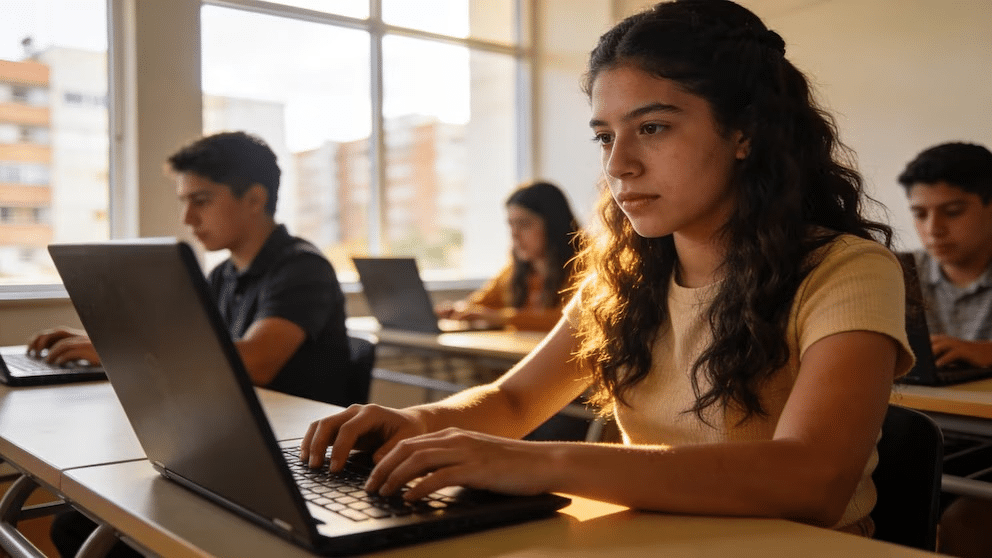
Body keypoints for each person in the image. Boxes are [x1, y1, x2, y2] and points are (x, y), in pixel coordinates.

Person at [300, 0, 913, 538]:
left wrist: (542, 464)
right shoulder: (623, 276)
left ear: (745, 132)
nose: (619, 164)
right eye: (604, 136)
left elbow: (811, 480)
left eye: (652, 127)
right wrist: (413, 422)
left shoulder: (847, 269)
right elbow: (515, 400)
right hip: (645, 539)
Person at [29, 131, 353, 406]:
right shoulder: (223, 274)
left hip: (299, 443)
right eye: (184, 202)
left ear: (254, 199)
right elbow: (183, 344)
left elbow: (256, 363)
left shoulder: (303, 268)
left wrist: (119, 352)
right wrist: (101, 341)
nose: (187, 219)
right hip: (243, 424)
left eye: (201, 200)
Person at [897, 141, 992, 558]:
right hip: (924, 437)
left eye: (952, 212)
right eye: (920, 213)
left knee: (964, 522)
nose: (933, 228)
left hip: (980, 452)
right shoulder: (897, 273)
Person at [436, 181, 582, 331]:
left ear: (554, 224)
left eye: (524, 224)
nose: (514, 235)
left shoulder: (588, 268)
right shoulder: (514, 271)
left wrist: (501, 317)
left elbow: (574, 321)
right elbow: (478, 304)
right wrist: (457, 310)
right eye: (511, 225)